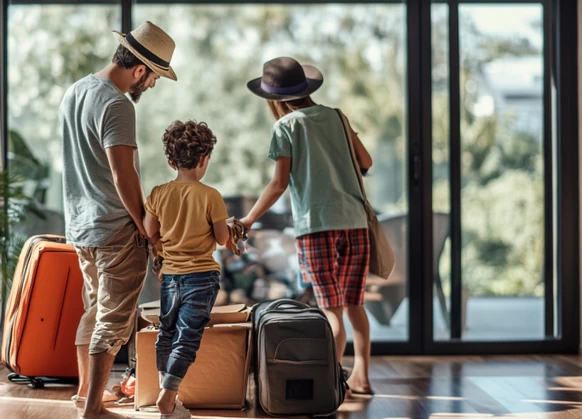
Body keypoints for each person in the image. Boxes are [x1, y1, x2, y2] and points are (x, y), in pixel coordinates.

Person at [59, 21, 177, 419]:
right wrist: (146, 222)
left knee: (93, 312)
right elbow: (123, 174)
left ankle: (83, 395)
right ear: (140, 69)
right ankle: (92, 408)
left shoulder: (76, 91)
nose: (153, 86)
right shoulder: (117, 103)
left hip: (80, 226)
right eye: (155, 77)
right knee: (112, 320)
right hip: (114, 229)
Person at [239, 57, 375, 395]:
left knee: (330, 309)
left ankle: (331, 385)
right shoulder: (336, 116)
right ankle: (362, 377)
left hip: (316, 226)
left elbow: (278, 184)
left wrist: (248, 219)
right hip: (355, 223)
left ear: (276, 98)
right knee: (354, 304)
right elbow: (367, 162)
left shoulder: (286, 127)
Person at [142, 121, 231, 419]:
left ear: (171, 161)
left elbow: (149, 231)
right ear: (205, 159)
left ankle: (167, 398)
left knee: (166, 333)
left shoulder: (157, 193)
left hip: (170, 278)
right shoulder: (210, 196)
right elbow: (221, 238)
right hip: (202, 278)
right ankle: (167, 398)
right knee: (187, 338)